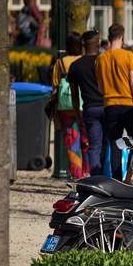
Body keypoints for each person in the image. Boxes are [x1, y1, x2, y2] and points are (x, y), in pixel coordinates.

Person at [95, 23, 133, 179]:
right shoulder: (128, 55)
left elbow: (100, 88)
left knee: (115, 144)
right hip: (128, 104)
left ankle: (116, 179)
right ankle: (128, 175)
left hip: (110, 105)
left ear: (109, 38)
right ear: (122, 37)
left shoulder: (101, 59)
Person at [68, 29, 105, 176]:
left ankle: (96, 180)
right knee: (108, 145)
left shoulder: (76, 65)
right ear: (98, 44)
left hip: (90, 108)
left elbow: (74, 94)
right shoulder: (104, 61)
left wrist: (77, 112)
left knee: (94, 146)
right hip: (107, 105)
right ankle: (110, 179)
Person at [51, 32, 87, 179]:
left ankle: (76, 174)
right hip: (83, 104)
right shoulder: (84, 60)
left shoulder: (60, 62)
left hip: (65, 107)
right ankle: (88, 173)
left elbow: (54, 84)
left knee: (72, 141)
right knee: (86, 139)